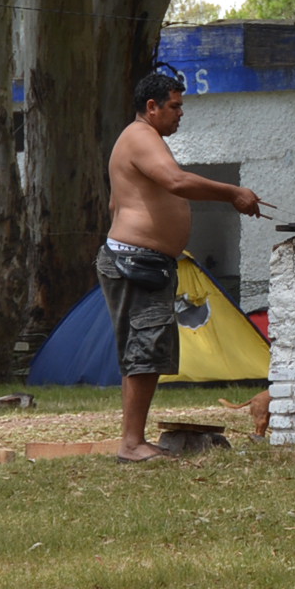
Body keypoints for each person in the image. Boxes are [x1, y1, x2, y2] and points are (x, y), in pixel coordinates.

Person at [103, 67, 263, 462]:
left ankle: (133, 440)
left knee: (144, 350)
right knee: (145, 348)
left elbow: (116, 203)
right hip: (136, 262)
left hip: (142, 259)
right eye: (175, 106)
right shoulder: (140, 136)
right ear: (152, 106)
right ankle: (132, 443)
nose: (181, 113)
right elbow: (175, 181)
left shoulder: (145, 138)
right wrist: (233, 193)